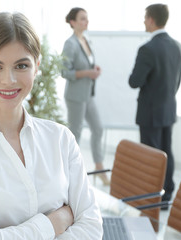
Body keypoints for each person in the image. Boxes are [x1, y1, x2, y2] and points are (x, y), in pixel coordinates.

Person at [0, 12, 103, 239]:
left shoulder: (61, 139)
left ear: (37, 66)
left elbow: (91, 228)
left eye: (21, 65)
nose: (9, 80)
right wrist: (56, 222)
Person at [128, 4, 181, 206]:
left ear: (151, 19)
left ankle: (152, 197)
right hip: (168, 109)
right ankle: (167, 194)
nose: (144, 21)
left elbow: (135, 81)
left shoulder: (147, 49)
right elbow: (177, 82)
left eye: (145, 17)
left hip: (150, 112)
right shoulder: (177, 46)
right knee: (166, 151)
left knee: (151, 156)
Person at [61, 7, 109, 185]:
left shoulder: (85, 40)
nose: (86, 22)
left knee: (98, 128)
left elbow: (87, 64)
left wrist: (93, 70)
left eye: (87, 19)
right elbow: (64, 71)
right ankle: (71, 174)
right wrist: (87, 73)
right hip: (75, 96)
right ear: (72, 22)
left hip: (88, 95)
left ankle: (98, 167)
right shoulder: (70, 44)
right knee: (76, 134)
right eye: (82, 19)